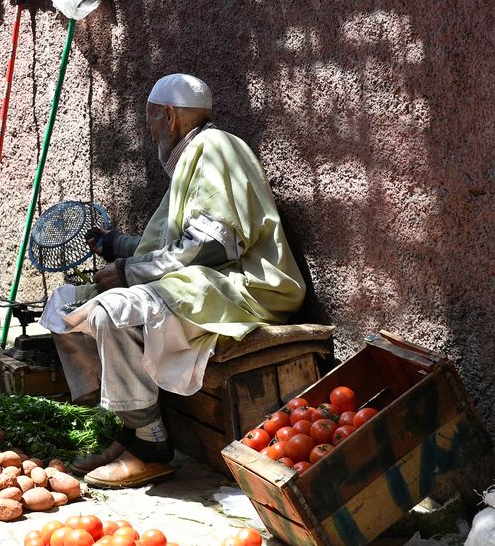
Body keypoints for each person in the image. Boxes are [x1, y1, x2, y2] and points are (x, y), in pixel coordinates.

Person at [41, 74, 306, 488]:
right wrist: (116, 246)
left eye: (151, 122)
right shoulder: (193, 157)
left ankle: (150, 446)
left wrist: (129, 272)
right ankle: (126, 423)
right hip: (200, 282)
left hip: (246, 287)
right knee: (68, 302)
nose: (151, 134)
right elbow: (167, 243)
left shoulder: (215, 147)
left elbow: (212, 244)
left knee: (115, 311)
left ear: (168, 115)